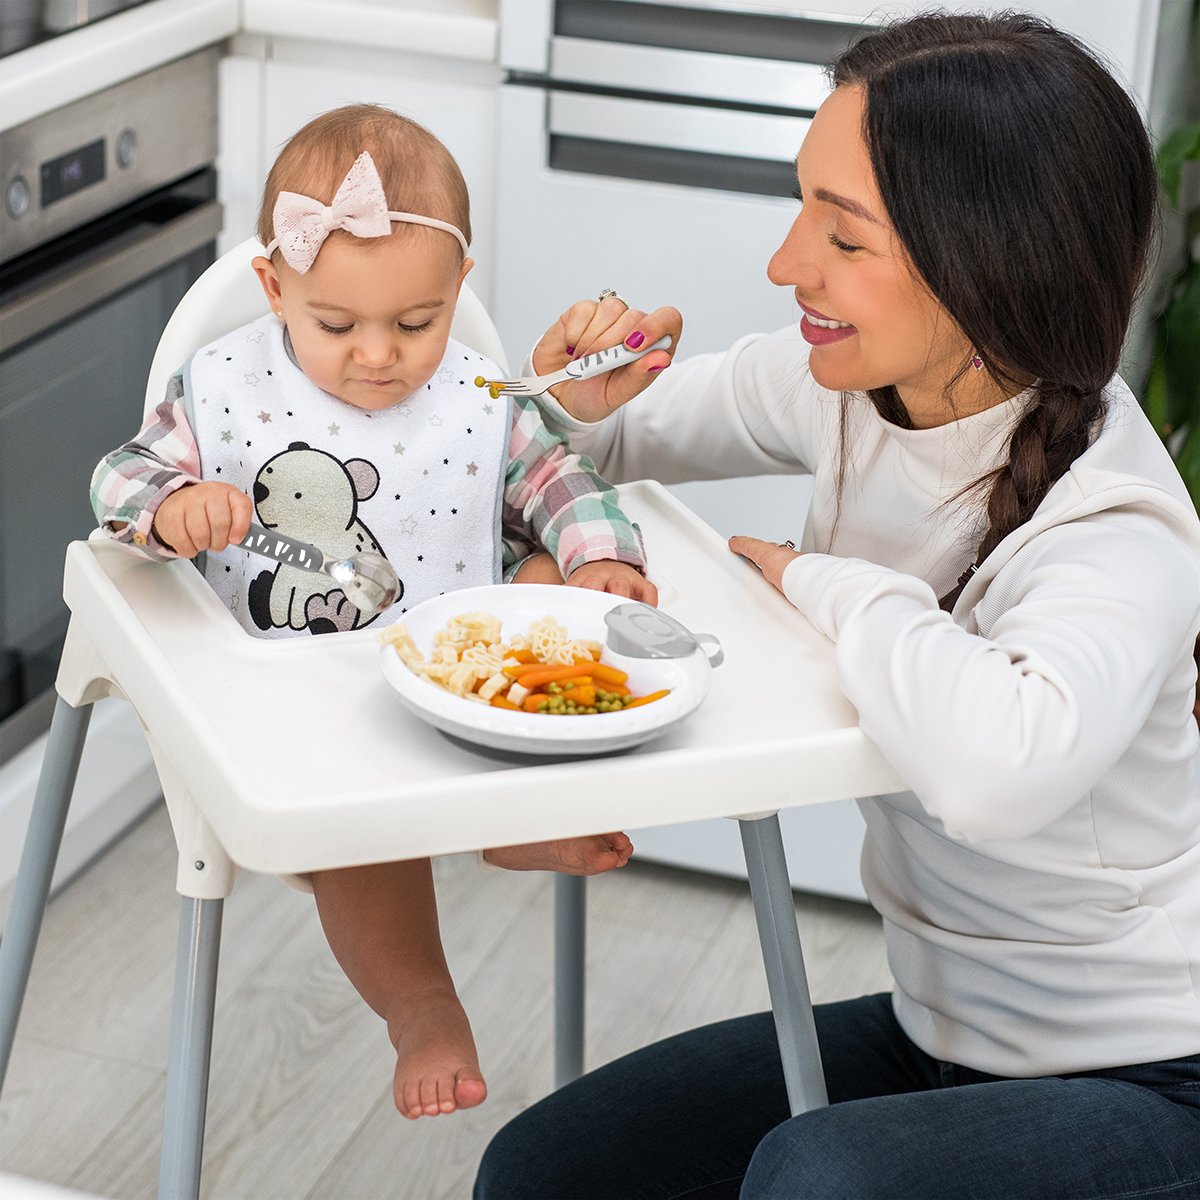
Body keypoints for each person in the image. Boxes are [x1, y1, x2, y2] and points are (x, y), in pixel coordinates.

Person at [474, 11, 1200, 1198]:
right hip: (941, 1036)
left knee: (819, 1181)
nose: (786, 263)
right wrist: (585, 400)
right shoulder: (857, 390)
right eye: (803, 204)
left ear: (988, 257)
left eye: (842, 233)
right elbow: (588, 446)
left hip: (1158, 1079)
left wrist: (826, 584)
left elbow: (1001, 769)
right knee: (550, 1171)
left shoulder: (1116, 524)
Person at [90, 104, 656, 1122]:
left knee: (549, 594)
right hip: (305, 713)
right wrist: (172, 510)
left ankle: (521, 818)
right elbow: (119, 478)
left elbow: (559, 480)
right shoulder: (224, 390)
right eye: (337, 325)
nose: (381, 358)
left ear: (458, 292)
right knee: (363, 831)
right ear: (274, 288)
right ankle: (421, 1004)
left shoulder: (481, 394)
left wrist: (600, 561)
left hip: (461, 681)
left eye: (417, 323)